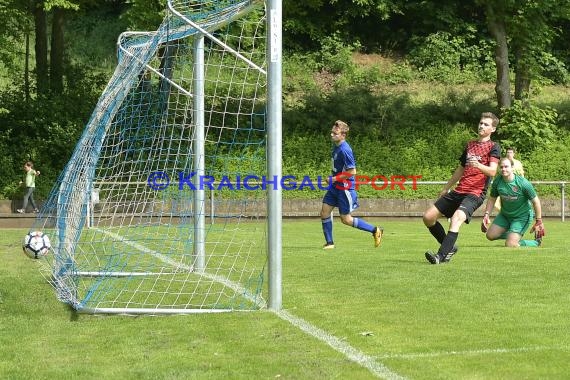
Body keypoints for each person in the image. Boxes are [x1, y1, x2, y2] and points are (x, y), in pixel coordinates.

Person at [423, 112, 501, 264]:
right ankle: (450, 247)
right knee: (428, 217)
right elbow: (460, 169)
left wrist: (478, 165)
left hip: (475, 193)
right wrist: (446, 188)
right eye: (481, 123)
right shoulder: (470, 145)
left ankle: (440, 256)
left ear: (493, 129)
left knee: (457, 218)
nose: (481, 126)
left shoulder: (494, 147)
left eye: (486, 124)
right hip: (459, 190)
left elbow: (492, 171)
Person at [320, 120, 383, 249]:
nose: (332, 135)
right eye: (332, 132)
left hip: (345, 188)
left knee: (346, 219)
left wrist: (333, 179)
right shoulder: (336, 147)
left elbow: (352, 172)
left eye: (335, 133)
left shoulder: (345, 150)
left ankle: (375, 230)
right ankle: (330, 243)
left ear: (343, 135)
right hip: (335, 187)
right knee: (324, 212)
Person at [481, 157, 545, 247]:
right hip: (505, 215)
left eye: (506, 167)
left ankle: (536, 242)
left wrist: (538, 221)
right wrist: (486, 215)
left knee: (511, 244)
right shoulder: (497, 181)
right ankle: (513, 235)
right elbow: (492, 198)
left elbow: (536, 201)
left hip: (521, 217)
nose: (503, 169)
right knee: (490, 235)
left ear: (512, 168)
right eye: (501, 167)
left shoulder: (523, 183)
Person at [495, 147, 524, 211]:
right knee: (498, 204)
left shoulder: (518, 163)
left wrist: (522, 185)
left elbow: (522, 175)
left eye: (510, 152)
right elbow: (498, 173)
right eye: (507, 152)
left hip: (516, 186)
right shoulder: (502, 162)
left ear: (513, 154)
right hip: (504, 186)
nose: (509, 154)